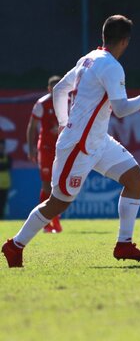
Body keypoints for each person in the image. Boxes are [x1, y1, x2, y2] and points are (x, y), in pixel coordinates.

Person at [2, 15, 140, 268]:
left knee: (135, 179)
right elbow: (120, 109)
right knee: (58, 203)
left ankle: (124, 244)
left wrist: (65, 122)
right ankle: (15, 246)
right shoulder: (111, 65)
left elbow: (58, 91)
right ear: (125, 41)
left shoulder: (87, 59)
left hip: (98, 141)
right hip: (80, 145)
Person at [26, 75, 63, 233]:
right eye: (53, 88)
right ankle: (48, 223)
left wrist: (62, 129)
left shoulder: (68, 103)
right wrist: (31, 148)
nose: (56, 90)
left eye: (59, 87)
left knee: (60, 185)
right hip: (46, 149)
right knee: (47, 185)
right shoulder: (42, 104)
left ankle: (54, 220)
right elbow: (32, 127)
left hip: (62, 148)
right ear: (49, 89)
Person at [0, 138, 11, 220]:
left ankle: (1, 219)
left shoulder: (8, 157)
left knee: (3, 203)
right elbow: (5, 166)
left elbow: (8, 166)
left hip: (5, 184)